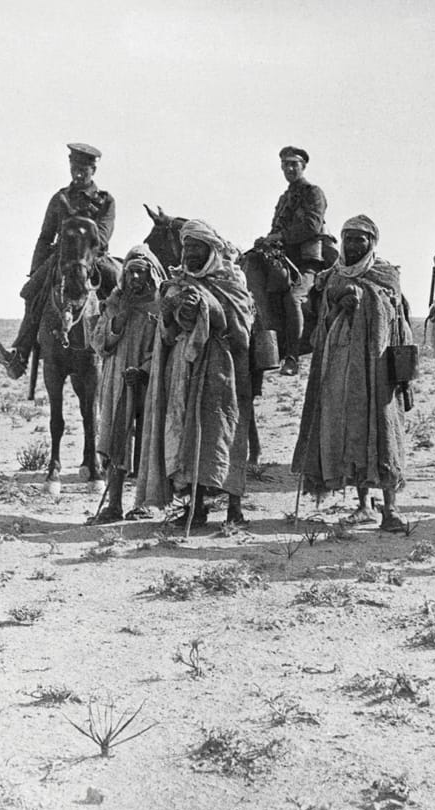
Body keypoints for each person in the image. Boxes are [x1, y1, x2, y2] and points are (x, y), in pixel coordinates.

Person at [292, 214, 414, 533]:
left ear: (371, 243)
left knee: (383, 433)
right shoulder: (332, 278)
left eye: (360, 239)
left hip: (378, 370)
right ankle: (362, 505)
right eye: (348, 238)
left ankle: (390, 509)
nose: (353, 244)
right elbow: (322, 324)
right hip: (340, 368)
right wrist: (338, 303)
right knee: (350, 434)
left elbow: (396, 317)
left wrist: (366, 299)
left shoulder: (385, 275)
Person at [132, 219, 255, 528]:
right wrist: (174, 307)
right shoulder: (179, 283)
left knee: (226, 435)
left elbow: (240, 333)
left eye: (196, 247)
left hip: (224, 370)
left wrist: (208, 307)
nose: (189, 254)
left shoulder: (232, 282)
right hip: (184, 370)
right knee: (190, 436)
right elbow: (169, 330)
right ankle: (196, 507)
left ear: (211, 249)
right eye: (186, 247)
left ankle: (234, 509)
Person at [0, 143, 116, 379]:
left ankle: (126, 352)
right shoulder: (59, 199)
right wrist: (36, 269)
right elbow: (45, 236)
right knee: (31, 292)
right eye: (75, 168)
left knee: (123, 287)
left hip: (94, 258)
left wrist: (81, 239)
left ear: (93, 171)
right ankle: (19, 355)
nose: (79, 174)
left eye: (84, 170)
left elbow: (103, 235)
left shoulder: (105, 201)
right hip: (61, 259)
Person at [89, 246, 164, 522]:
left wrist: (144, 370)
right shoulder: (114, 302)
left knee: (147, 441)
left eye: (140, 272)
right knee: (114, 439)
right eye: (130, 271)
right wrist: (119, 318)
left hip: (149, 382)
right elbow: (99, 343)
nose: (134, 277)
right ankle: (114, 504)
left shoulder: (159, 305)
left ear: (150, 274)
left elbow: (163, 346)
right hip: (116, 381)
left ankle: (146, 503)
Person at [241, 146, 330, 376]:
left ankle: (292, 357)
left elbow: (311, 225)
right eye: (285, 164)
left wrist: (279, 237)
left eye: (294, 164)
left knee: (294, 298)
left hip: (307, 263)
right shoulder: (284, 199)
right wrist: (267, 241)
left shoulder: (313, 193)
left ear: (303, 166)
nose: (289, 168)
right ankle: (271, 349)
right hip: (282, 261)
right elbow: (276, 228)